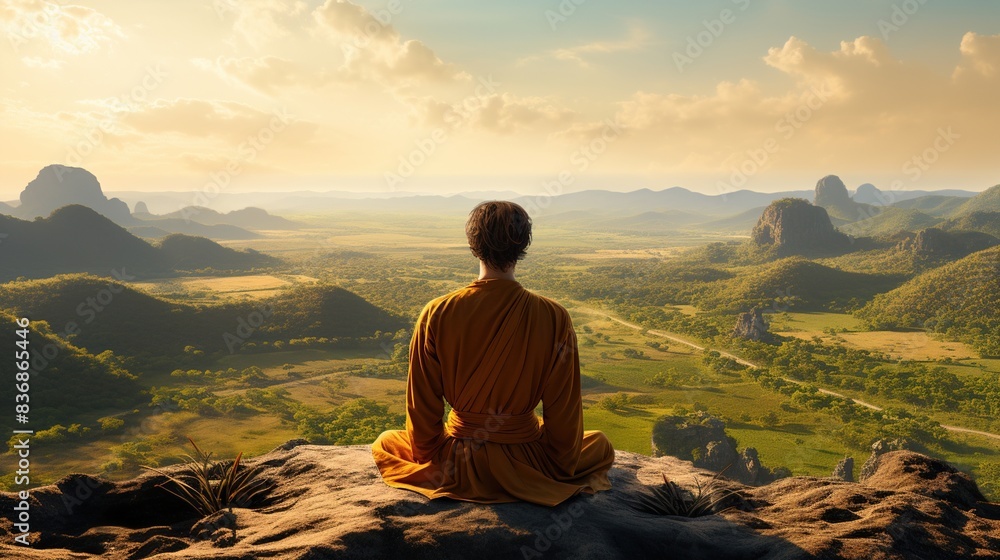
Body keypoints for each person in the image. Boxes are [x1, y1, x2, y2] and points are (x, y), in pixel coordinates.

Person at [372, 201, 615, 506]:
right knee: (601, 444)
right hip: (530, 457)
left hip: (457, 458)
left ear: (473, 245)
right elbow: (563, 414)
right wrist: (557, 467)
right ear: (524, 245)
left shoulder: (437, 312)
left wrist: (431, 457)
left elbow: (423, 408)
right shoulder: (554, 316)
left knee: (386, 441)